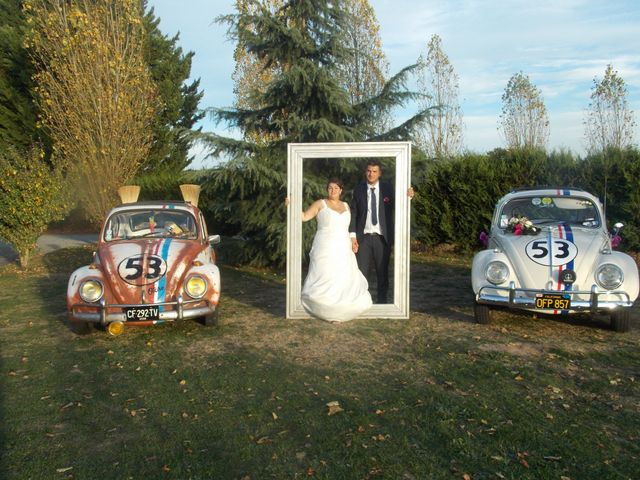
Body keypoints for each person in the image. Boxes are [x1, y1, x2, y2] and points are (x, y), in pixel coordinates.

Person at [295, 179, 372, 322]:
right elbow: (304, 217)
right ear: (327, 190)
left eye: (336, 188)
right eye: (330, 188)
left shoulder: (347, 206)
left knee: (342, 275)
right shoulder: (320, 203)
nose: (333, 190)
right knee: (325, 273)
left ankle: (341, 309)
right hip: (325, 244)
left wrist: (352, 240)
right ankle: (324, 307)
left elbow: (349, 227)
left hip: (343, 245)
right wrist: (291, 205)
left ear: (341, 190)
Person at [349, 160, 413, 303]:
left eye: (374, 171)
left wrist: (408, 196)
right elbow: (354, 213)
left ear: (380, 173)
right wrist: (352, 236)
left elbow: (400, 205)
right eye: (369, 171)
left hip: (382, 238)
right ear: (365, 172)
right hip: (363, 238)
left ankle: (382, 301)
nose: (371, 174)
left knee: (382, 272)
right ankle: (361, 301)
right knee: (361, 272)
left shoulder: (388, 189)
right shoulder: (358, 189)